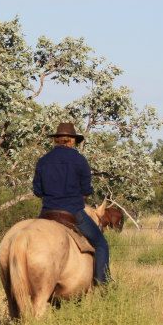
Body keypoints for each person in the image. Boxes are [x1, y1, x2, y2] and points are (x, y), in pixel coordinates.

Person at [32, 122, 110, 285]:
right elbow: (87, 190)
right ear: (72, 140)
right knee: (102, 244)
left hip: (47, 213)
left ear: (56, 140)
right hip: (73, 212)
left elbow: (38, 191)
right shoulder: (80, 161)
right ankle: (102, 284)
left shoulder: (43, 161)